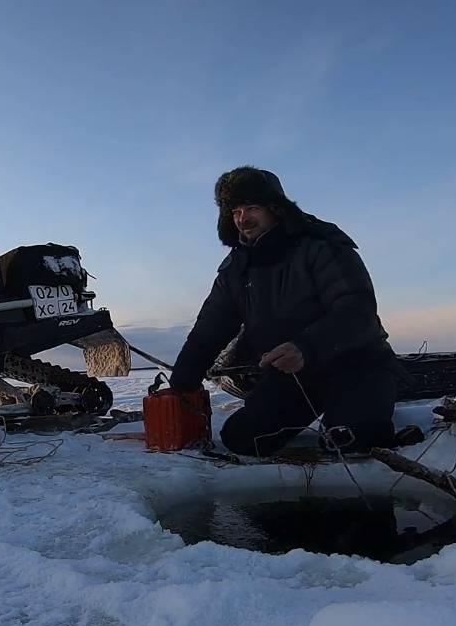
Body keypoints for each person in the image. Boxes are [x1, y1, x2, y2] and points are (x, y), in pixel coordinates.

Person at [169, 166, 402, 457]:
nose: (243, 219)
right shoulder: (236, 270)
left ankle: (368, 414)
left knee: (349, 440)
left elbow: (357, 312)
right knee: (242, 439)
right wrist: (180, 385)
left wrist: (305, 347)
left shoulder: (322, 245)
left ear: (276, 208)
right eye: (236, 211)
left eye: (252, 207)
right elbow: (209, 329)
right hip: (296, 375)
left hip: (357, 365)